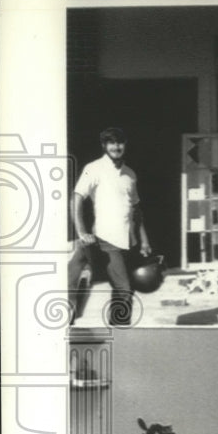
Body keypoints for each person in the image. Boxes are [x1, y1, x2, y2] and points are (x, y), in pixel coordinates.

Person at [68, 126, 151, 326]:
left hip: (125, 241)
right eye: (111, 142)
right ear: (104, 145)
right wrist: (81, 231)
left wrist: (144, 241)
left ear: (125, 145)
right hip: (105, 238)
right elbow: (76, 199)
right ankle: (68, 314)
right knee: (123, 288)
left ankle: (116, 328)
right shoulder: (94, 168)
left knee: (121, 288)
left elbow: (136, 209)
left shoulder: (130, 174)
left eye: (120, 142)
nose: (116, 146)